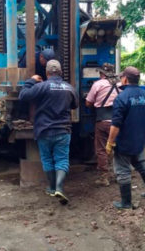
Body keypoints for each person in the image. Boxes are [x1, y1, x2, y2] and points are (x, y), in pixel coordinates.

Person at [18, 59, 79, 204]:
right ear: (61, 72)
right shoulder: (69, 88)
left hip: (44, 130)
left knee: (47, 159)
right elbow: (75, 105)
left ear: (46, 73)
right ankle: (59, 187)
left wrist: (31, 81)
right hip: (63, 131)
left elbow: (23, 96)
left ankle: (51, 188)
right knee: (62, 159)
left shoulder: (42, 86)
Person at [105, 66, 145, 209]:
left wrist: (110, 143)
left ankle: (126, 203)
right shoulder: (143, 94)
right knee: (140, 163)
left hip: (124, 142)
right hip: (139, 139)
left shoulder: (121, 98)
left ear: (125, 79)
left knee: (123, 171)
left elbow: (116, 124)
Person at [84, 63, 120, 186]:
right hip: (117, 122)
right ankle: (118, 174)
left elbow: (88, 103)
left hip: (102, 121)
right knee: (116, 148)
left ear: (102, 74)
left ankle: (104, 177)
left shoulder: (98, 84)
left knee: (101, 149)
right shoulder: (120, 85)